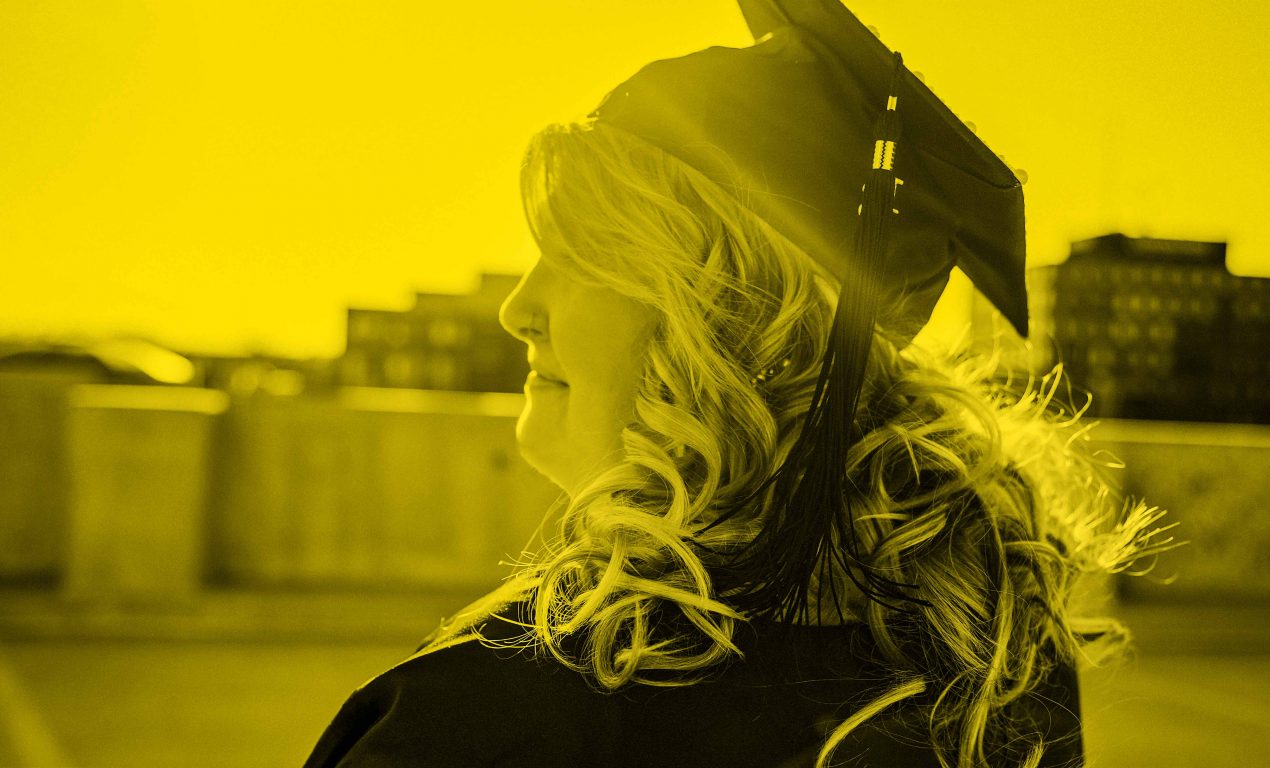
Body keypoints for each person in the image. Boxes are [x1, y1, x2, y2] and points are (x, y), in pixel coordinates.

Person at [304, 1, 1172, 766]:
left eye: (577, 256)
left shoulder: (484, 720)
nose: (519, 309)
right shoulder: (993, 668)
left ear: (729, 320)